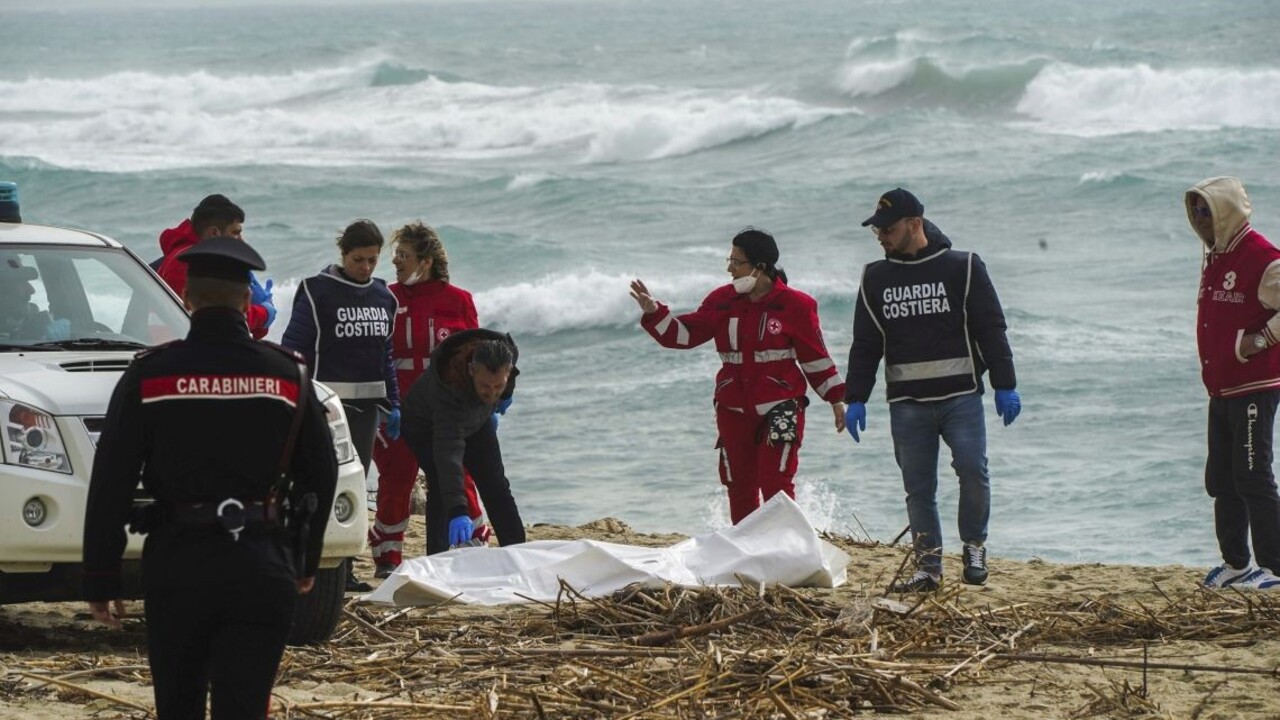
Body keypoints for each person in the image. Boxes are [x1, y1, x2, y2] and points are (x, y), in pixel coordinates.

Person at [82, 236, 338, 719]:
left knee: (178, 705)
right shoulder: (288, 375)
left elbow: (111, 480)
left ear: (186, 298)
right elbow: (321, 476)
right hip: (261, 563)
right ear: (246, 301)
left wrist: (101, 575)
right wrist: (305, 559)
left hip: (178, 564)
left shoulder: (150, 376)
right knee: (245, 706)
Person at [843, 188, 1020, 593]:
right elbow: (866, 343)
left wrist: (1005, 384)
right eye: (877, 231)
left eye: (888, 229)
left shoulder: (964, 267)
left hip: (961, 396)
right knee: (919, 489)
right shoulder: (875, 277)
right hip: (907, 403)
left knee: (973, 470)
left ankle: (974, 546)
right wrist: (855, 397)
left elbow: (991, 328)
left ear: (915, 224)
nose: (881, 236)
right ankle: (928, 568)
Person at [629, 227, 847, 525]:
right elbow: (685, 335)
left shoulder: (797, 305)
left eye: (736, 261)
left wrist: (836, 400)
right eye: (729, 260)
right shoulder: (721, 300)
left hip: (782, 406)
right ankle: (747, 547)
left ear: (760, 266)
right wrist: (655, 312)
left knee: (776, 484)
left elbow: (815, 357)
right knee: (739, 486)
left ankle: (785, 544)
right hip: (733, 408)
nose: (730, 268)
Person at [368, 221, 494, 577]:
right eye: (395, 255)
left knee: (457, 474)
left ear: (425, 261)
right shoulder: (385, 297)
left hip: (447, 410)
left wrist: (486, 404)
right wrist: (379, 404)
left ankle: (473, 545)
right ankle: (387, 557)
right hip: (396, 408)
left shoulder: (458, 301)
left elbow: (477, 356)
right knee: (396, 478)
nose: (396, 261)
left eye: (404, 255)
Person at [281, 219, 400, 589]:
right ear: (343, 254)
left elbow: (386, 355)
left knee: (354, 485)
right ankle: (309, 563)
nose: (366, 267)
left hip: (366, 411)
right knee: (320, 484)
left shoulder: (384, 297)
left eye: (372, 260)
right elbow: (293, 348)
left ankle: (344, 571)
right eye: (358, 259)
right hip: (325, 409)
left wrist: (394, 403)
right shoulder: (317, 292)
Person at [1189, 176, 1280, 591]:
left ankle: (1274, 568)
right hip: (1221, 388)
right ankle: (1237, 564)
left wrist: (1259, 341)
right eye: (1194, 211)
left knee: (1253, 475)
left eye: (1205, 211)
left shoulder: (1262, 257)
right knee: (1221, 479)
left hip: (1254, 387)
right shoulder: (1215, 256)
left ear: (1224, 212)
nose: (1198, 219)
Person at [401, 329, 526, 555]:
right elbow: (449, 458)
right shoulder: (449, 389)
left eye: (498, 386)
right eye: (485, 386)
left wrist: (507, 393)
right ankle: (438, 558)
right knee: (442, 484)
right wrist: (458, 511)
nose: (491, 393)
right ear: (471, 370)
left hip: (477, 420)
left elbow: (509, 372)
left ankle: (517, 551)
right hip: (425, 427)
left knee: (495, 483)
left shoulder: (505, 356)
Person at [156, 194, 276, 339]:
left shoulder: (187, 256)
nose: (241, 241)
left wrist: (257, 316)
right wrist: (264, 313)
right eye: (235, 233)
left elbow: (239, 328)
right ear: (214, 233)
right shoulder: (188, 263)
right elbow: (222, 321)